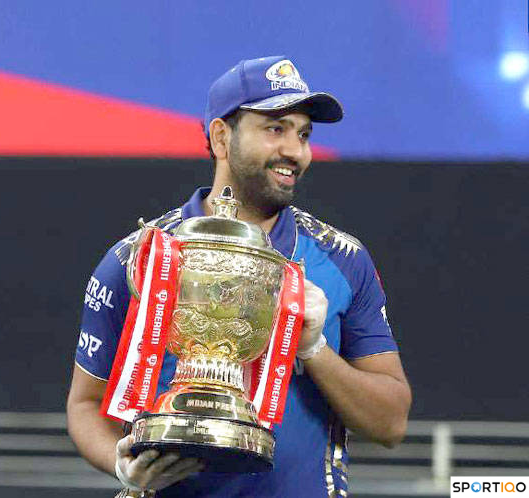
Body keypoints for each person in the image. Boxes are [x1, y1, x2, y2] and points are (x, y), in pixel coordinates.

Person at [67, 55, 412, 498]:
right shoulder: (138, 259)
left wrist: (316, 349)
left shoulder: (342, 260)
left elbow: (391, 423)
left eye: (304, 134)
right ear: (221, 136)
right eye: (275, 129)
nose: (296, 151)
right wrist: (119, 462)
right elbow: (85, 405)